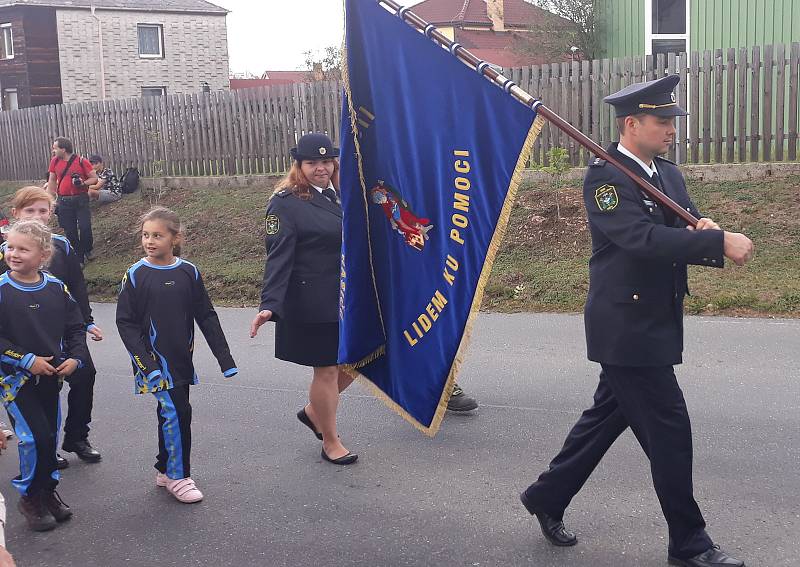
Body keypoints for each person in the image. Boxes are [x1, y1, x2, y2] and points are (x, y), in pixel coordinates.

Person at [519, 75, 753, 567]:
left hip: (656, 319)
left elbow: (682, 222)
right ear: (631, 124)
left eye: (672, 122)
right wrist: (717, 242)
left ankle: (546, 495)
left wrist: (704, 228)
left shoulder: (664, 173)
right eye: (662, 122)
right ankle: (690, 544)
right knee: (670, 431)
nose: (671, 130)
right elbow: (640, 239)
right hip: (626, 327)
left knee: (605, 420)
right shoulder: (606, 177)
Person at [116, 207, 238, 503]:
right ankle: (178, 475)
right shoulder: (135, 275)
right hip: (153, 362)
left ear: (175, 238)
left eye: (157, 235)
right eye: (146, 235)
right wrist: (147, 364)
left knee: (171, 412)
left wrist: (226, 359)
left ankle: (164, 467)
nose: (149, 241)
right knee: (178, 412)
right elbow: (126, 323)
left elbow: (206, 316)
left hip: (182, 359)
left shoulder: (189, 272)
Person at [250, 133, 358, 466]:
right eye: (313, 162)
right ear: (300, 165)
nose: (321, 168)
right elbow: (278, 256)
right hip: (312, 301)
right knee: (326, 371)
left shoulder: (342, 195)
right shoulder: (284, 202)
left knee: (360, 361)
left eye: (327, 161)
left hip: (345, 299)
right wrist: (270, 304)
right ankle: (330, 441)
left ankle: (314, 411)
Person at [1, 187, 103, 469]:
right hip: (19, 337)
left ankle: (77, 437)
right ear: (16, 214)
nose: (36, 216)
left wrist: (87, 320)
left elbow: (77, 286)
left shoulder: (61, 245)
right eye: (29, 211)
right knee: (29, 390)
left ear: (52, 212)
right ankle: (41, 442)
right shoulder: (8, 251)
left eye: (42, 210)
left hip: (59, 331)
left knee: (85, 373)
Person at [0, 220, 88, 531]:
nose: (14, 253)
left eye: (23, 249)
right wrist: (25, 360)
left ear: (43, 254)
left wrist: (76, 358)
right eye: (10, 247)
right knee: (33, 437)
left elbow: (76, 327)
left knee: (49, 436)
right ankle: (29, 496)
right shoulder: (1, 289)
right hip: (14, 382)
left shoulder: (56, 288)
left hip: (51, 378)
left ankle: (47, 491)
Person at [46, 137, 98, 264]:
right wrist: (49, 199)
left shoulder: (81, 161)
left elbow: (94, 179)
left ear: (63, 149)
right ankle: (78, 256)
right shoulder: (54, 162)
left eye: (55, 148)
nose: (53, 151)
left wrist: (83, 183)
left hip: (80, 199)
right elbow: (52, 180)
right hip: (63, 201)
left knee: (85, 227)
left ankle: (87, 249)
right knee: (70, 230)